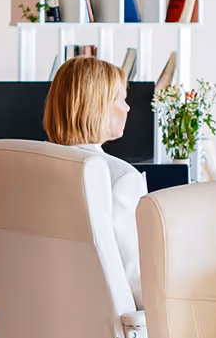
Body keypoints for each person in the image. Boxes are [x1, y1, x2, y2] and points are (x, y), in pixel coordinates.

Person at [44, 55, 146, 302]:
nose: (127, 107)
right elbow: (137, 282)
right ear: (98, 106)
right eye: (121, 99)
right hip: (105, 332)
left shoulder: (29, 168)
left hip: (42, 323)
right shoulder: (121, 178)